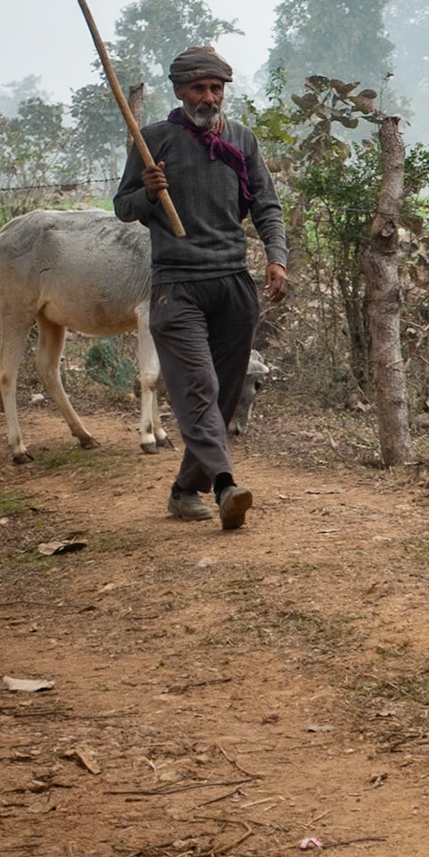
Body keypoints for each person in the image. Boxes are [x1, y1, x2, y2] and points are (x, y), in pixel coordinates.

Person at [115, 46, 288, 529]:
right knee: (199, 387)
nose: (209, 97)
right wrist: (148, 191)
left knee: (224, 394)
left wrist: (277, 257)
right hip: (177, 286)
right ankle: (226, 485)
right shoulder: (153, 141)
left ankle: (184, 488)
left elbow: (267, 207)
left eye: (216, 88)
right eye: (199, 88)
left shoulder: (241, 140)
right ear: (178, 91)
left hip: (233, 284)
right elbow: (123, 208)